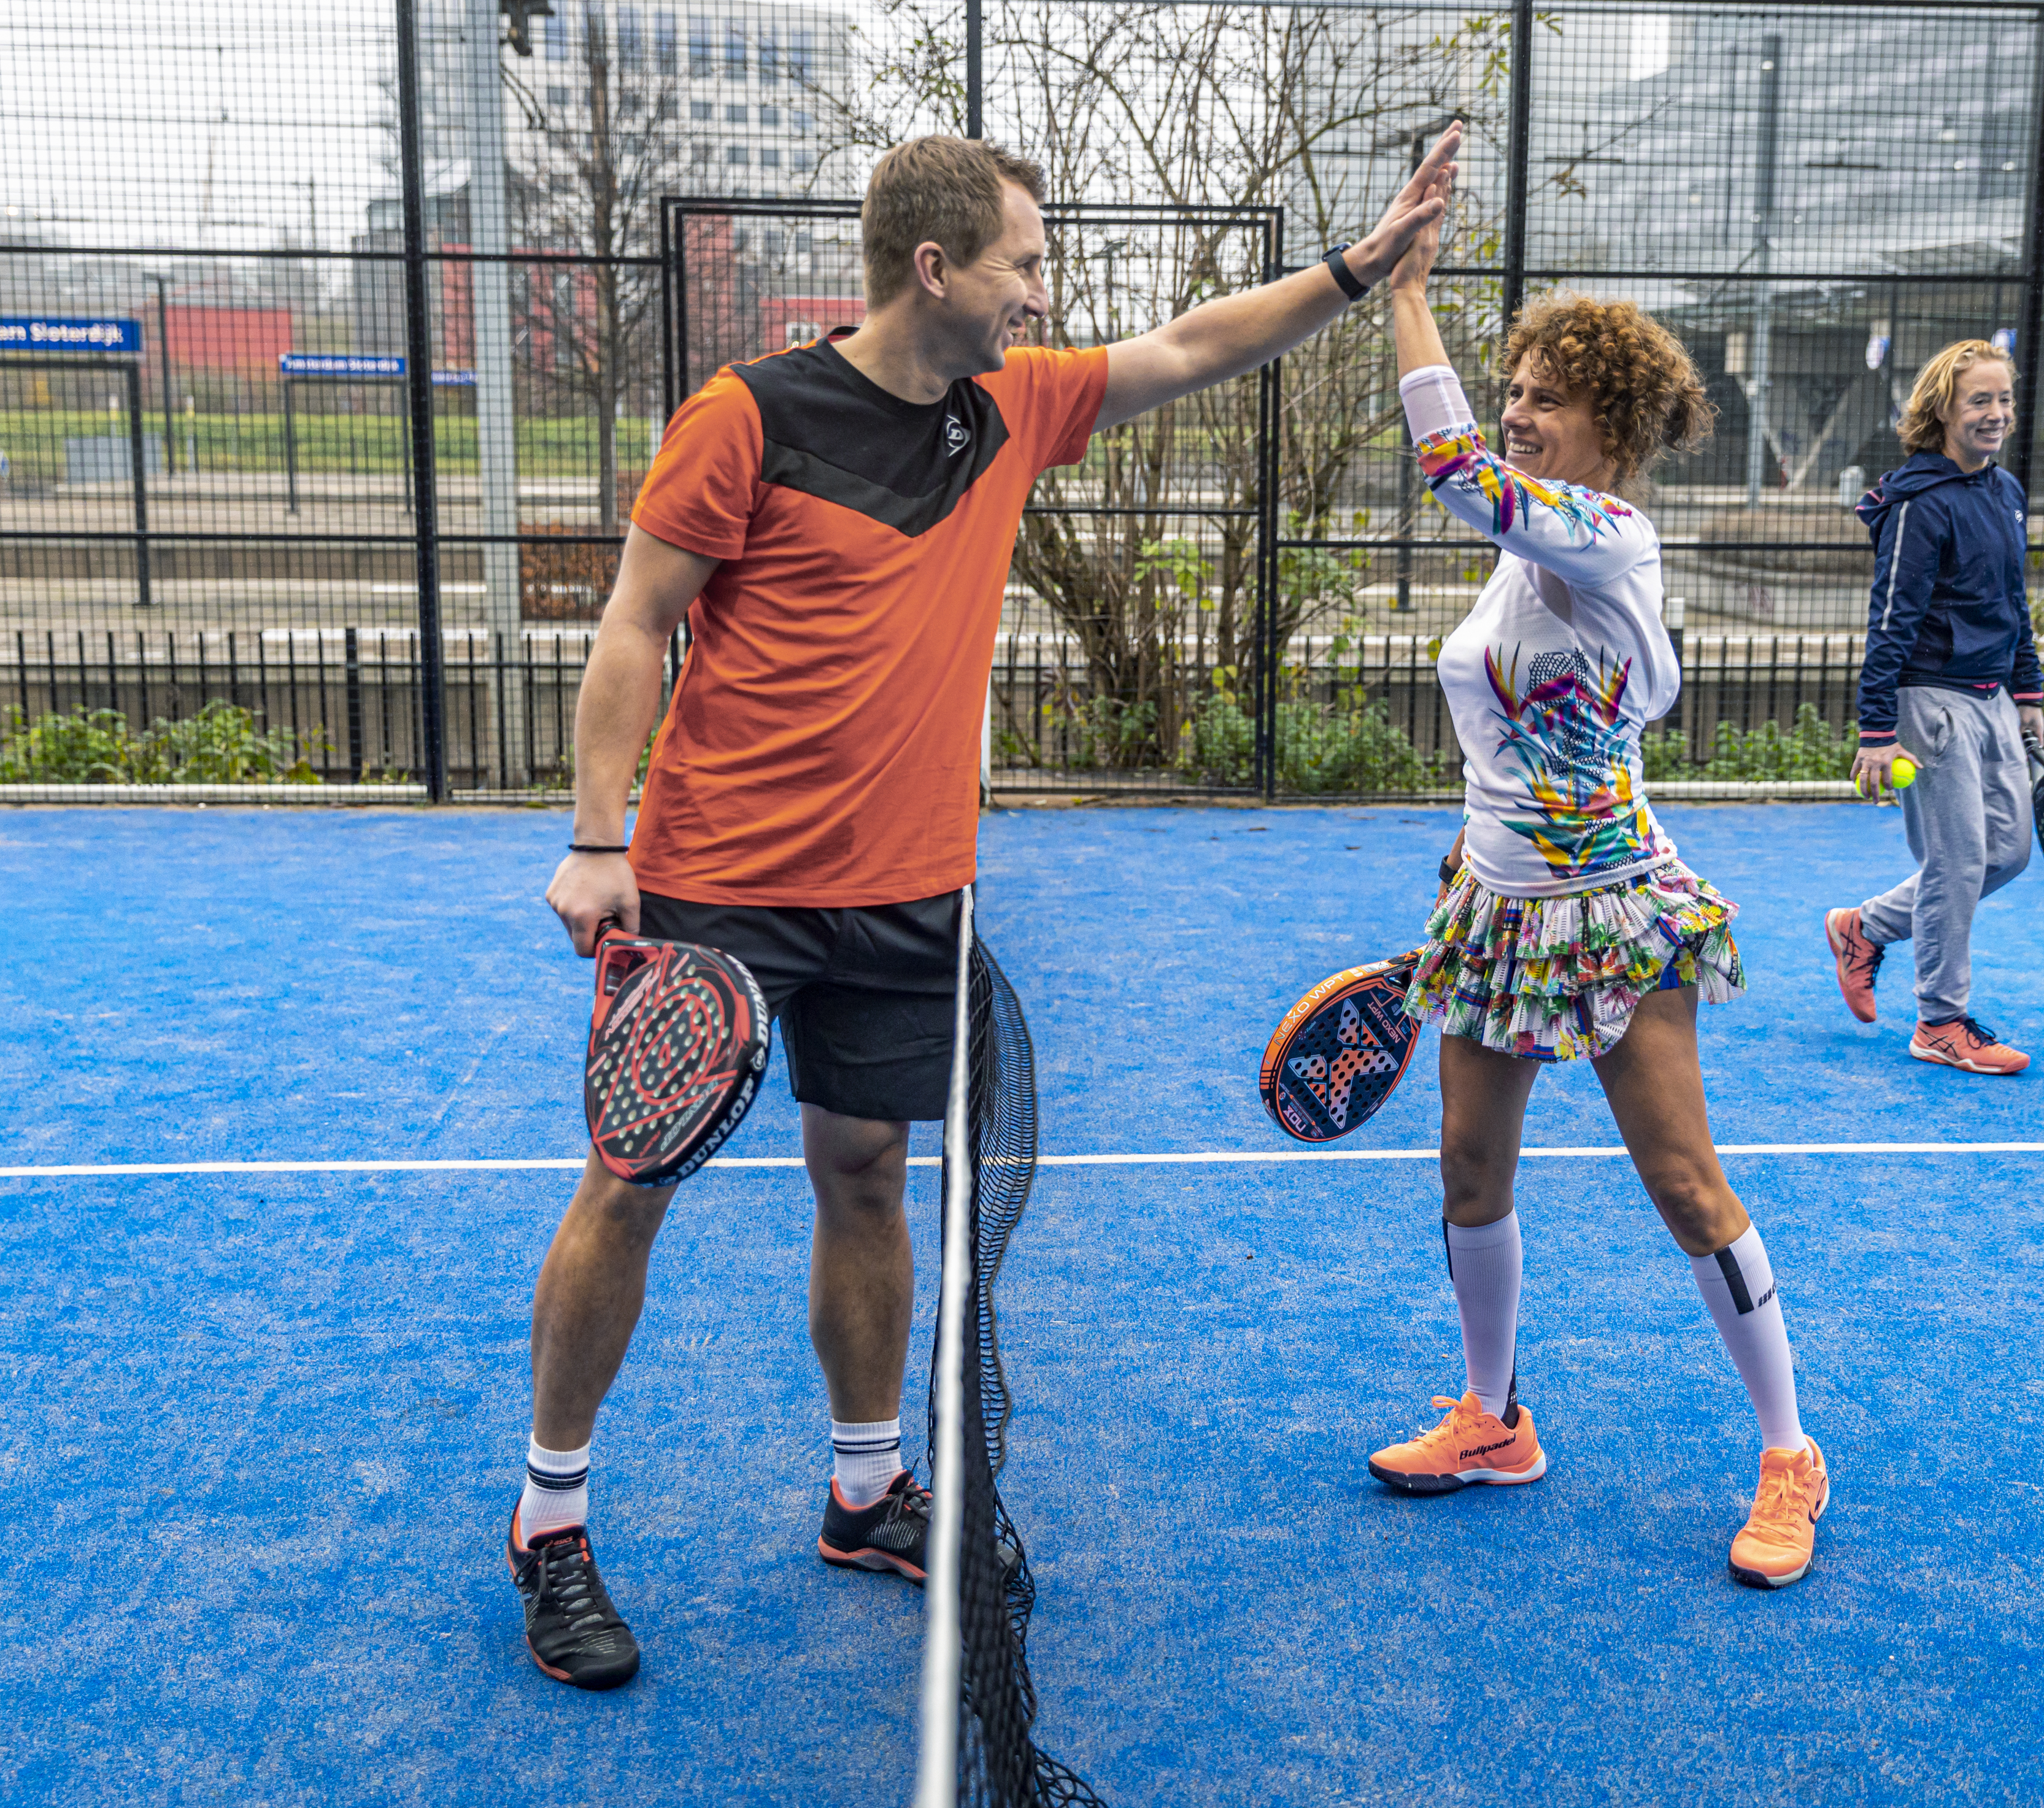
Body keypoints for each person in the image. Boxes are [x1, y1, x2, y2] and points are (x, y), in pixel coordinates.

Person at [512, 126, 1463, 1691]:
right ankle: (549, 1523)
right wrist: (597, 840)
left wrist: (1361, 267)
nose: (1045, 290)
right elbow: (633, 626)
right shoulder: (745, 415)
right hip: (715, 886)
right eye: (1025, 262)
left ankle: (865, 1488)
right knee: (632, 1182)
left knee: (868, 1178)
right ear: (935, 268)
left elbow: (1190, 344)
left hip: (907, 892)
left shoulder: (1009, 411)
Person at [1362, 220, 1831, 1590]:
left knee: (1685, 1186)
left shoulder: (1604, 537)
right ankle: (1494, 1420)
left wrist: (1403, 296)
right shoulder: (1529, 547)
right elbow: (1506, 748)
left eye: (1546, 394)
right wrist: (1470, 886)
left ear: (1611, 423)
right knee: (1468, 1170)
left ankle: (1791, 1453)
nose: (1516, 409)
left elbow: (1450, 469)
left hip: (1616, 907)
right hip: (1497, 909)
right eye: (1513, 385)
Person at [1824, 340, 2044, 1075]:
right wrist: (1878, 731)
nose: (1997, 414)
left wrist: (2029, 689)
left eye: (2003, 400)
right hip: (1929, 704)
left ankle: (1863, 927)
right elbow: (1891, 617)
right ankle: (1940, 1021)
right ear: (1943, 409)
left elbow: (2013, 601)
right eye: (1980, 401)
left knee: (2007, 853)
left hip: (1993, 698)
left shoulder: (2005, 492)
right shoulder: (1918, 504)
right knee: (1955, 862)